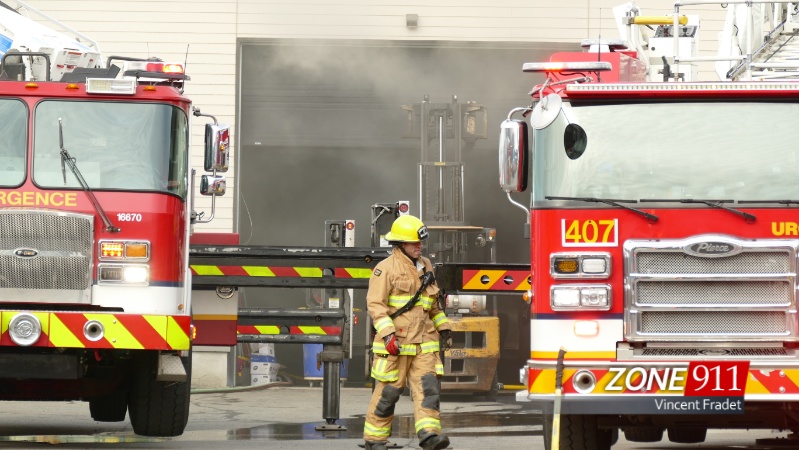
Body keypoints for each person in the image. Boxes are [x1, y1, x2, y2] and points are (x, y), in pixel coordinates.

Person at [363, 215, 452, 450]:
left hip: (424, 343)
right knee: (388, 393)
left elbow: (432, 303)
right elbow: (376, 306)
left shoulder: (426, 266)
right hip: (396, 345)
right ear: (401, 244)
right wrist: (389, 334)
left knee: (428, 390)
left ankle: (430, 435)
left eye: (420, 242)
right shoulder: (384, 270)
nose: (419, 246)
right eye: (414, 243)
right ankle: (375, 439)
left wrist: (443, 327)